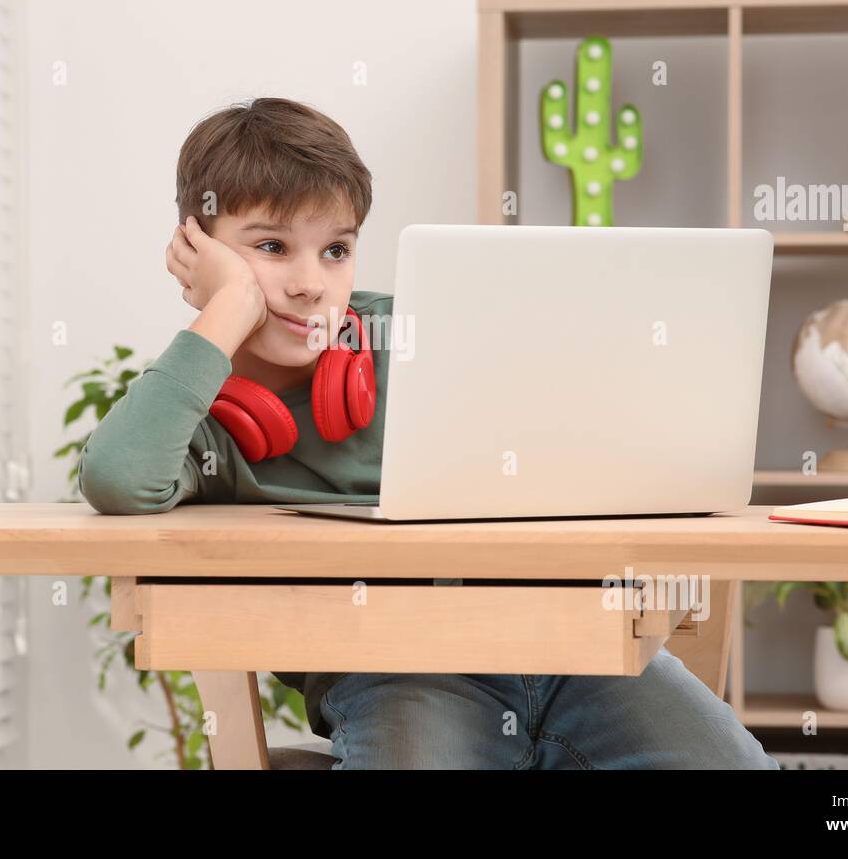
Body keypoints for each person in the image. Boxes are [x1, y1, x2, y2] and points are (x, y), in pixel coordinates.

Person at [77, 96, 779, 770]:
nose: (309, 283)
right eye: (270, 246)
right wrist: (228, 306)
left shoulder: (416, 330)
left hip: (574, 651)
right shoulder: (193, 406)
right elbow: (117, 477)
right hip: (396, 671)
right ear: (196, 247)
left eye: (336, 251)